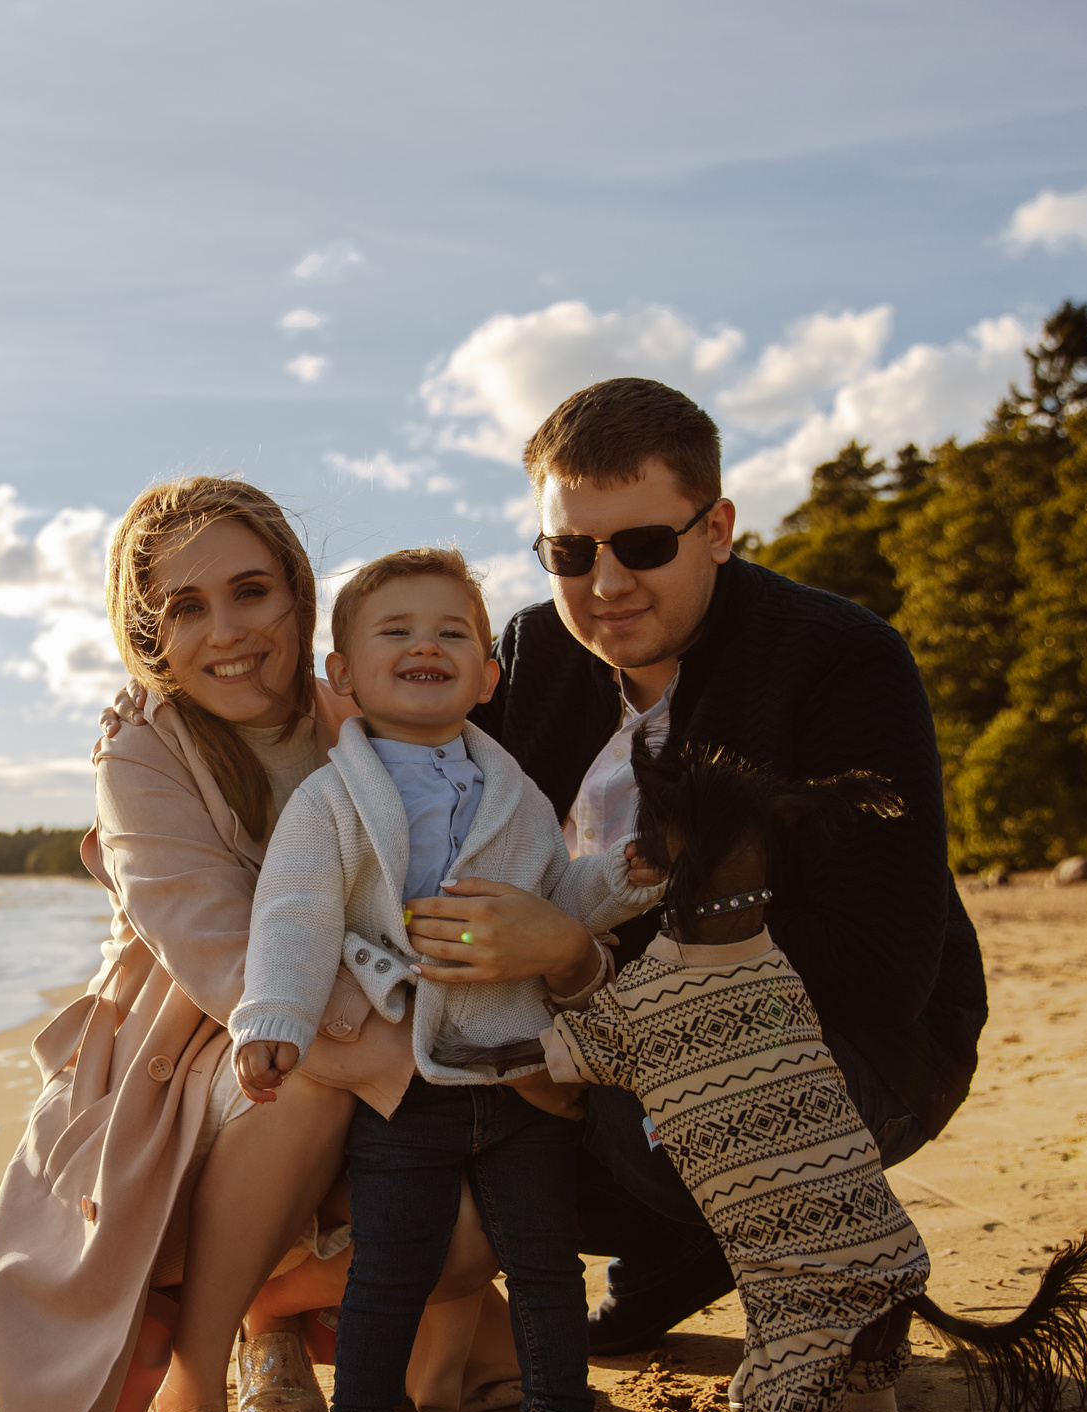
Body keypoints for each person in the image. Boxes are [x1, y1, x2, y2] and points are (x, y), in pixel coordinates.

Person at [0, 477, 518, 1412]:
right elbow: (228, 960)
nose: (226, 633)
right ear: (149, 632)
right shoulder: (140, 751)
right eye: (184, 608)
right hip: (184, 1057)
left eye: (251, 592)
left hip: (368, 1014)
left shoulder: (356, 713)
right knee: (299, 1065)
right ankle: (188, 1400)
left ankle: (271, 1305)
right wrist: (407, 1065)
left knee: (467, 1240)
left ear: (300, 596)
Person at [414, 377, 989, 1353]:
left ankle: (836, 1269)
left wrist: (578, 961)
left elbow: (878, 968)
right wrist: (185, 724)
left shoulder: (840, 660)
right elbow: (406, 785)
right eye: (569, 551)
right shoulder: (531, 650)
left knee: (658, 1117)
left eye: (643, 545)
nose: (606, 585)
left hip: (863, 1050)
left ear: (715, 527)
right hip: (604, 1031)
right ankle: (684, 1247)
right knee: (422, 1123)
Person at [230, 548, 654, 1412]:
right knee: (392, 1264)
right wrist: (275, 1022)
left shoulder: (513, 793)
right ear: (342, 676)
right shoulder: (331, 802)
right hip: (408, 1075)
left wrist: (624, 881)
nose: (426, 643)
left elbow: (557, 901)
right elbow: (295, 916)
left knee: (543, 1259)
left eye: (452, 632)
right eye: (396, 631)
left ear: (486, 675)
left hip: (515, 1068)